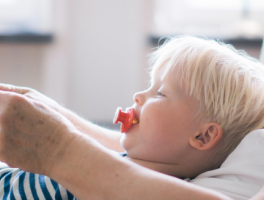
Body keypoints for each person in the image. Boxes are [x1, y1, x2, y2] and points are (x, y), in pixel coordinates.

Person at [0, 36, 263, 200]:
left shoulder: (96, 183)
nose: (138, 96)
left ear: (202, 136)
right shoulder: (126, 170)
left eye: (159, 93)